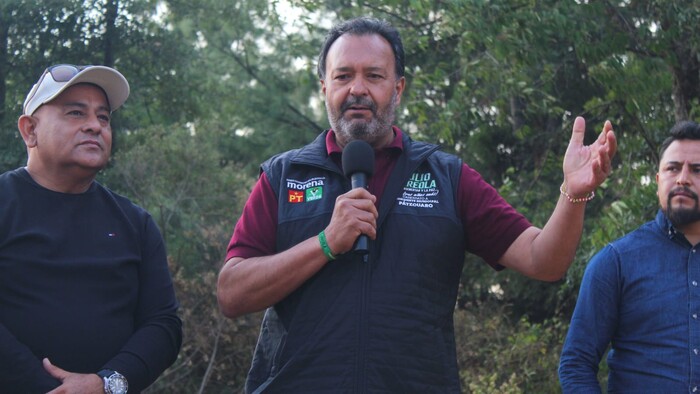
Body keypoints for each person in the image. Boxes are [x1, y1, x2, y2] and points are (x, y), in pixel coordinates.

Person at [217, 17, 616, 393]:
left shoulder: (447, 177)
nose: (357, 89)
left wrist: (573, 192)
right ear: (324, 87)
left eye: (374, 76)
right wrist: (325, 243)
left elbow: (543, 260)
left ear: (398, 88)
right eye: (343, 76)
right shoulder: (285, 176)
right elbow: (232, 293)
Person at [0, 64, 182, 394]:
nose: (94, 126)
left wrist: (107, 383)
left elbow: (163, 325)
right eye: (75, 113)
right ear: (30, 130)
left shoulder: (135, 222)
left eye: (103, 117)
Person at [559, 120, 700, 392]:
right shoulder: (616, 262)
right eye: (672, 168)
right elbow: (576, 363)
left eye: (697, 169)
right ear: (658, 181)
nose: (683, 178)